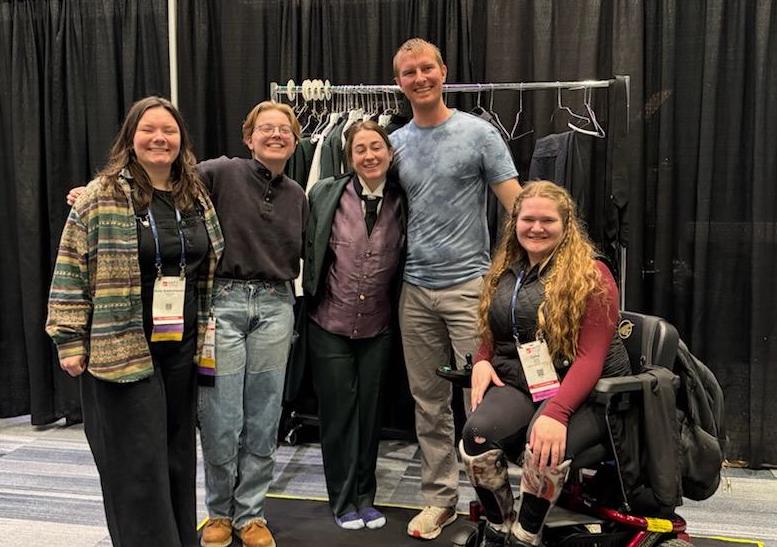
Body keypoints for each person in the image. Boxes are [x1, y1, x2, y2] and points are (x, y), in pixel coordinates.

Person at [47, 96, 224, 547]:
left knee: (177, 460)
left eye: (168, 130)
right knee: (135, 466)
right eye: (148, 130)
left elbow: (207, 262)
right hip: (120, 348)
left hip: (180, 346)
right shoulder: (100, 195)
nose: (159, 138)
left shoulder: (193, 195)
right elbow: (70, 266)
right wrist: (68, 338)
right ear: (131, 138)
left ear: (181, 138)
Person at [389, 37, 522, 539]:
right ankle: (439, 499)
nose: (419, 78)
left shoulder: (479, 134)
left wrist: (509, 276)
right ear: (398, 82)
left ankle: (494, 504)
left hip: (470, 288)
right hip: (414, 291)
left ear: (443, 71)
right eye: (409, 72)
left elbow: (518, 206)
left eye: (427, 68)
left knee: (483, 405)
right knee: (427, 401)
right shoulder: (395, 144)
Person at [459, 180, 631, 546]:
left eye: (547, 221)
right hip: (528, 383)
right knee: (476, 436)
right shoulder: (510, 266)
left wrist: (557, 412)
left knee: (544, 445)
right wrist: (483, 359)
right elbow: (495, 325)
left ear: (566, 225)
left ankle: (526, 534)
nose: (536, 228)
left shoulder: (592, 274)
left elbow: (590, 358)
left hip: (589, 394)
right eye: (528, 219)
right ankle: (499, 526)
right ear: (515, 222)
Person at [196, 101, 308, 547]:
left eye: (285, 129)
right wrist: (97, 191)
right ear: (249, 137)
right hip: (223, 303)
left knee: (264, 415)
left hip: (276, 305)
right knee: (221, 416)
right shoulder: (221, 173)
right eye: (266, 128)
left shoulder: (298, 194)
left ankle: (251, 514)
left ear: (296, 141)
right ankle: (218, 512)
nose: (276, 134)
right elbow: (166, 179)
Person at [301, 121, 406, 531]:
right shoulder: (325, 193)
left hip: (377, 326)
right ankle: (343, 500)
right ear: (349, 156)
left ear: (389, 153)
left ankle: (367, 497)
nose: (369, 155)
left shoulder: (403, 198)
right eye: (360, 149)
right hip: (329, 322)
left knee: (369, 413)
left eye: (376, 147)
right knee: (339, 415)